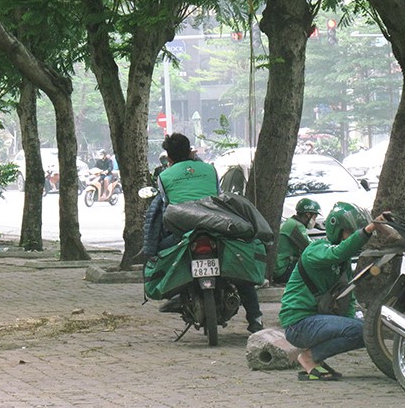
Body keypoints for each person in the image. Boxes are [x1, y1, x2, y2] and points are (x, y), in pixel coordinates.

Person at [158, 133, 263, 333]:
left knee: (162, 250)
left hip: (185, 228)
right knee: (240, 267)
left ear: (169, 158)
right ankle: (255, 317)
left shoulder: (164, 176)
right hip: (215, 224)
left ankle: (175, 295)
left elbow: (166, 204)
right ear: (190, 151)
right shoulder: (209, 169)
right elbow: (216, 196)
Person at [280, 202, 385, 381]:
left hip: (316, 320)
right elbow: (338, 253)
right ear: (337, 229)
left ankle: (315, 356)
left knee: (368, 330)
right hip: (298, 324)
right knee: (361, 330)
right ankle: (308, 357)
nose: (353, 238)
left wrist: (356, 323)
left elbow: (348, 297)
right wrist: (367, 230)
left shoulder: (342, 263)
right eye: (350, 232)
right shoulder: (316, 250)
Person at [273, 198, 321, 286]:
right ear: (307, 215)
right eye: (314, 217)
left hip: (278, 268)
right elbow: (311, 248)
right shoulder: (295, 226)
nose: (315, 220)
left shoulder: (290, 223)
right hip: (282, 270)